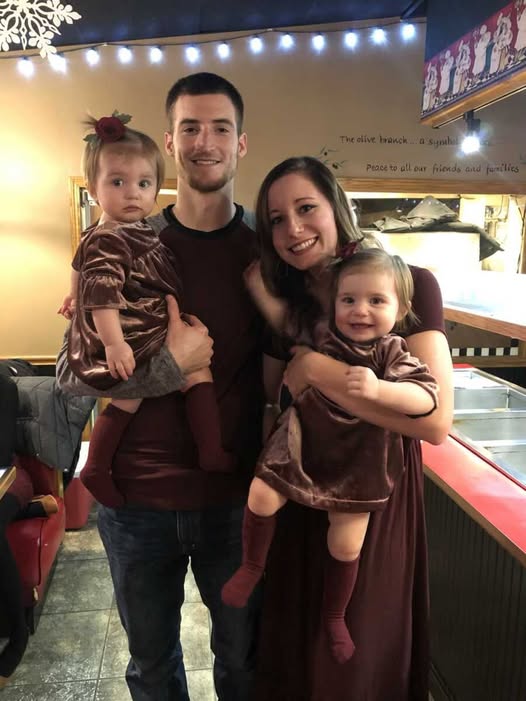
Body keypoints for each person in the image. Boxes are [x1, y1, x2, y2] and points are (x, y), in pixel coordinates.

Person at [56, 73, 279, 701]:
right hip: (134, 502)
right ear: (171, 141)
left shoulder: (268, 254)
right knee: (152, 669)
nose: (205, 141)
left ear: (240, 143)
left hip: (233, 501)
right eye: (190, 128)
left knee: (244, 664)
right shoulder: (126, 241)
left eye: (220, 128)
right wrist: (171, 367)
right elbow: (71, 375)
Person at [248, 156, 453, 701]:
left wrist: (320, 371)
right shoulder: (290, 307)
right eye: (276, 219)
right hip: (299, 490)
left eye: (306, 208)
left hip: (374, 494)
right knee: (299, 651)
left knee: (359, 652)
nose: (293, 228)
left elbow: (434, 422)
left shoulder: (410, 285)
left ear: (336, 207)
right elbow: (276, 400)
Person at [222, 246, 439, 665]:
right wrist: (258, 288)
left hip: (359, 459)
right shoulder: (324, 334)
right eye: (349, 299)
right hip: (303, 442)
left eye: (376, 301)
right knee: (261, 496)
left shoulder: (391, 351)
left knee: (346, 541)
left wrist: (380, 389)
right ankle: (251, 566)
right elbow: (285, 321)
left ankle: (335, 616)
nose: (360, 311)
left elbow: (426, 398)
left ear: (400, 309)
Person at [58, 113, 234, 508]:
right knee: (193, 372)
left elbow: (78, 266)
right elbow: (102, 294)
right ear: (93, 188)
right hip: (136, 329)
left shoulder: (121, 231)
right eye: (117, 182)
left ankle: (98, 465)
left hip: (144, 322)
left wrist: (72, 294)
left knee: (131, 398)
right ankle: (210, 451)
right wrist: (114, 343)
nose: (132, 194)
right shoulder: (112, 238)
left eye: (143, 184)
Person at [0, 375, 58, 689]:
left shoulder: (3, 387)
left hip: (9, 477)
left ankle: (18, 635)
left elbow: (1, 452)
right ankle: (30, 509)